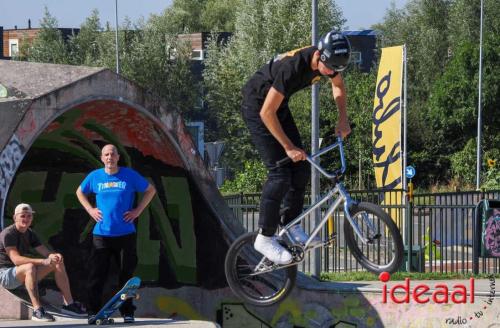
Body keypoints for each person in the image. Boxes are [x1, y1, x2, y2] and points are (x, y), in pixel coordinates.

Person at [241, 31, 352, 264]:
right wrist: (288, 147)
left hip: (277, 107)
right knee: (280, 174)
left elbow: (338, 86)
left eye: (336, 70)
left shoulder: (330, 63)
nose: (332, 74)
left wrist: (343, 119)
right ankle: (264, 237)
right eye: (330, 69)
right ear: (319, 57)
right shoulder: (292, 68)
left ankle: (291, 223)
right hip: (258, 106)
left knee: (301, 169)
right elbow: (266, 113)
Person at [76, 144, 156, 324]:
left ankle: (128, 312)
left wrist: (137, 210)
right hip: (102, 235)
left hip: (126, 233)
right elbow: (79, 192)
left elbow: (150, 190)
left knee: (127, 278)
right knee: (97, 275)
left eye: (112, 154)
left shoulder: (129, 175)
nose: (110, 157)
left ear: (118, 157)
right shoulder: (95, 176)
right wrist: (90, 210)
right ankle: (93, 311)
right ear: (102, 158)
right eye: (106, 154)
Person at [0, 203, 86, 321]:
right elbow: (16, 260)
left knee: (57, 262)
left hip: (21, 275)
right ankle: (37, 310)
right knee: (29, 267)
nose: (26, 219)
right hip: (5, 275)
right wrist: (43, 261)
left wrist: (54, 256)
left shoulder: (30, 233)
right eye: (22, 216)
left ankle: (69, 304)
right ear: (15, 218)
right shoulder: (8, 233)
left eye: (29, 216)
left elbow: (45, 252)